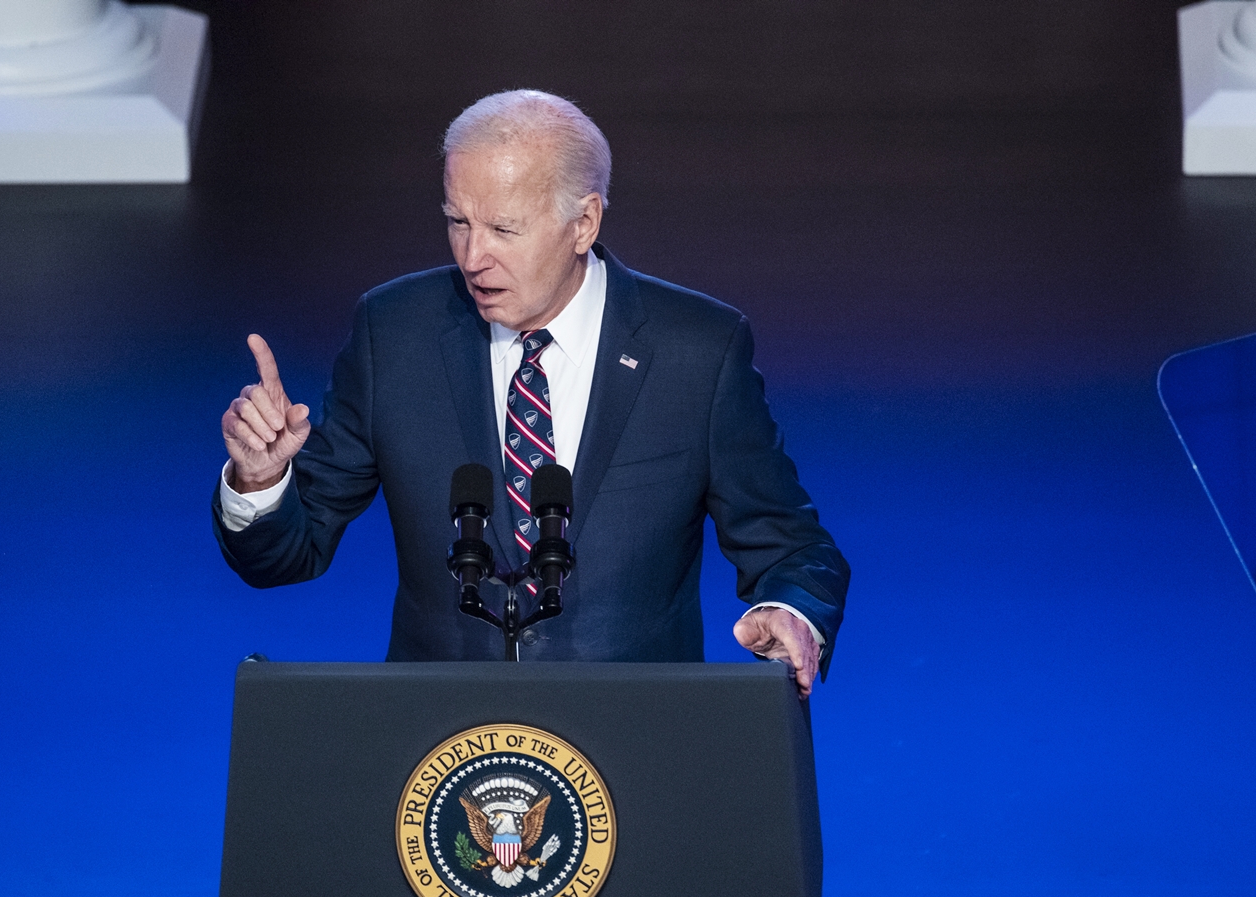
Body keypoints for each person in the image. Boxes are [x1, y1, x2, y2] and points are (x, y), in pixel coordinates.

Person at [214, 90, 848, 696]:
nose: (473, 256)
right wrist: (262, 485)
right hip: (445, 751)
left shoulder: (697, 350)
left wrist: (790, 610)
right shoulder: (394, 333)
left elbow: (790, 543)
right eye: (458, 222)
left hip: (635, 744)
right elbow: (288, 554)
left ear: (584, 222)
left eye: (504, 230)